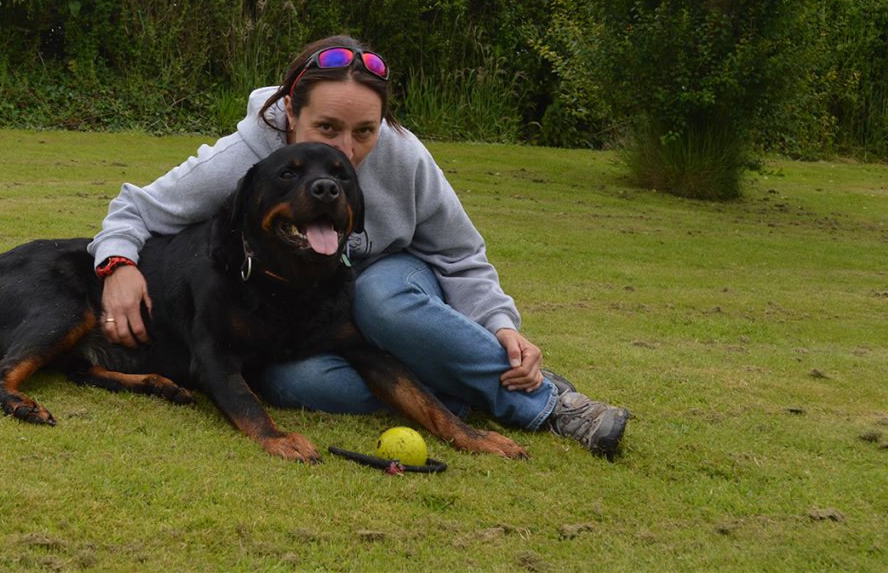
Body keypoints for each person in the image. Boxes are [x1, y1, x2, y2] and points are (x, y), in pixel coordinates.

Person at [89, 34, 629, 457]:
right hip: (312, 304)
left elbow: (459, 253)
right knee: (298, 381)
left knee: (378, 300)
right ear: (289, 114)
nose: (348, 149)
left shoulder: (405, 157)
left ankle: (554, 404)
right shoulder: (245, 158)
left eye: (365, 131)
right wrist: (117, 265)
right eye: (326, 127)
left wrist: (501, 326)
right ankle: (462, 382)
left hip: (392, 279)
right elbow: (138, 207)